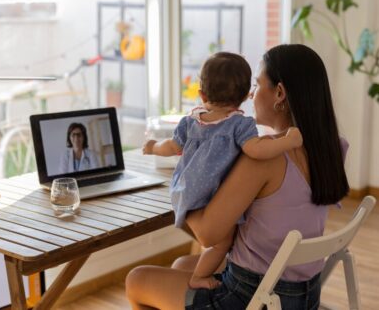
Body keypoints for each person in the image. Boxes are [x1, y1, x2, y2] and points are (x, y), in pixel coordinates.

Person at [126, 44, 349, 310]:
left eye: (257, 84)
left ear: (279, 93)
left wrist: (183, 187)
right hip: (302, 295)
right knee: (182, 265)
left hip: (253, 296)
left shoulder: (265, 159)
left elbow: (208, 235)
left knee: (136, 279)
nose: (251, 94)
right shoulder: (333, 146)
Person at [142, 52, 303, 290]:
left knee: (193, 255)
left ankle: (201, 275)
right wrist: (288, 141)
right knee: (221, 243)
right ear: (244, 97)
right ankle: (199, 276)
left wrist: (153, 146)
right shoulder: (240, 124)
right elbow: (257, 150)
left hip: (184, 192)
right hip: (212, 194)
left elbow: (172, 147)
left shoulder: (191, 121)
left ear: (202, 95)